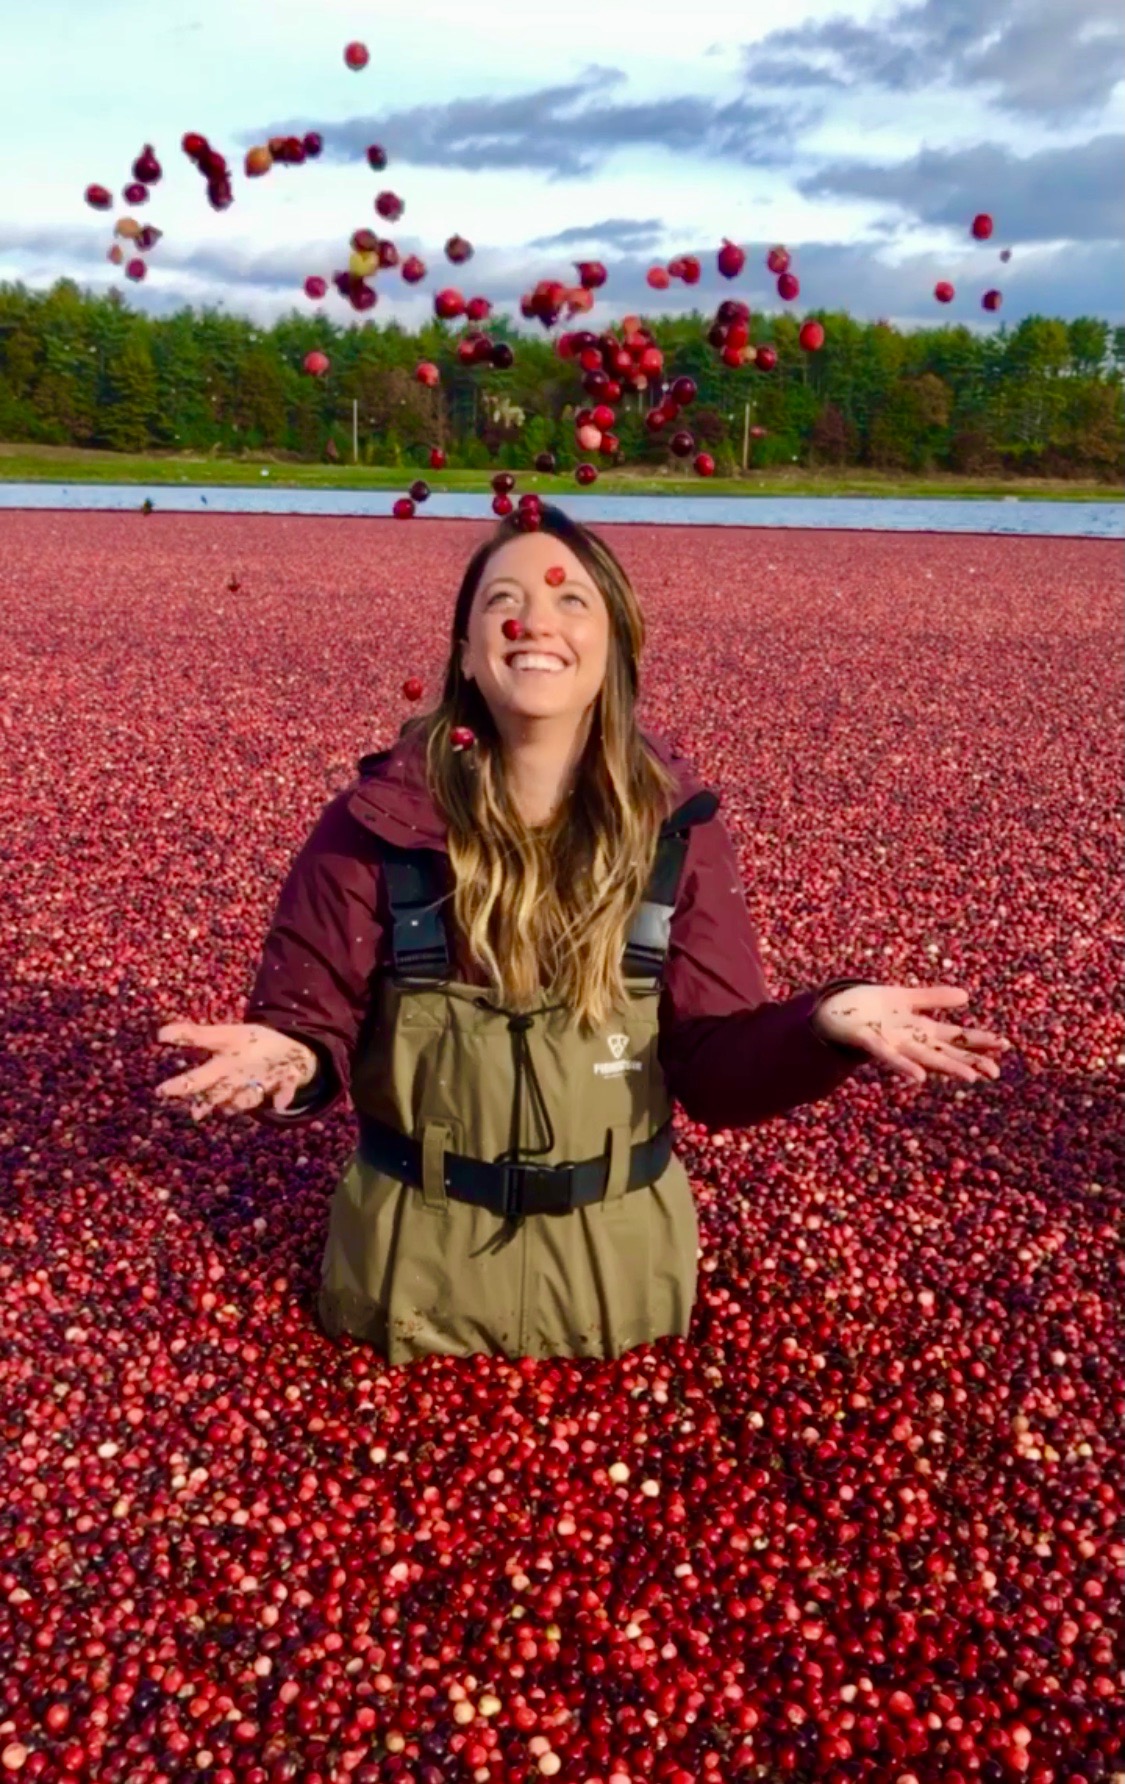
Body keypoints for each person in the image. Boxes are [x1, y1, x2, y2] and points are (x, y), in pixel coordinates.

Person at [154, 504, 1010, 1364]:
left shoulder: (677, 833)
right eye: (503, 601)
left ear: (615, 650)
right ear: (464, 652)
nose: (535, 622)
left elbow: (714, 1070)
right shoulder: (373, 824)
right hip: (405, 1284)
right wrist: (290, 1059)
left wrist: (821, 1025)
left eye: (571, 602)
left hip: (618, 1289)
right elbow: (309, 1020)